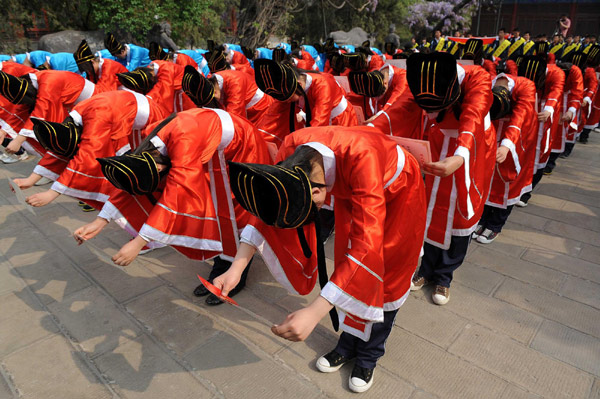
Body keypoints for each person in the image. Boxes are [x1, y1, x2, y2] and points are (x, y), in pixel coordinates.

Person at [214, 126, 427, 393]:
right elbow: (268, 209)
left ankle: (369, 355)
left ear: (317, 194)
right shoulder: (291, 148)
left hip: (398, 191)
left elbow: (367, 246)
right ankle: (347, 344)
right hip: (354, 187)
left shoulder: (363, 157)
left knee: (387, 274)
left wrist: (314, 311)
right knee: (346, 264)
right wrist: (237, 267)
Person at [74, 108, 272, 305]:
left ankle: (235, 272)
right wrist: (100, 221)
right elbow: (131, 186)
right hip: (206, 146)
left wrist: (139, 242)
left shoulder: (181, 143)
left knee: (237, 208)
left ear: (158, 166)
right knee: (217, 205)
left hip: (243, 147)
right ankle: (221, 268)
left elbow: (176, 193)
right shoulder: (148, 144)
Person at [370, 52, 496, 305]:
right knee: (430, 208)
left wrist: (460, 157)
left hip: (472, 148)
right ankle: (425, 270)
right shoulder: (422, 81)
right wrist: (371, 129)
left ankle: (444, 276)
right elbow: (401, 108)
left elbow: (472, 116)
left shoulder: (477, 79)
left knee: (461, 211)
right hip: (439, 143)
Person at [13, 90, 166, 210]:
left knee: (141, 174)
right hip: (121, 119)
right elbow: (58, 151)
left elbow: (86, 155)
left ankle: (149, 213)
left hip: (149, 122)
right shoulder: (73, 121)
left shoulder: (96, 119)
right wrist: (30, 180)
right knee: (123, 172)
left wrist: (52, 193)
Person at [473, 73, 538, 243]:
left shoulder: (526, 86)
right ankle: (483, 218)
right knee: (488, 177)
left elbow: (520, 117)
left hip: (519, 136)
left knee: (509, 180)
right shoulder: (487, 83)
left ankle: (495, 225)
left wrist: (507, 145)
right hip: (494, 130)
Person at [253, 59, 357, 146]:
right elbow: (272, 116)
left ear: (299, 84)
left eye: (289, 99)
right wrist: (258, 138)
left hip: (340, 120)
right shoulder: (289, 88)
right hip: (315, 115)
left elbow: (320, 122)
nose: (287, 102)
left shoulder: (322, 85)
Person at [516, 55, 565, 207]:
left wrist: (549, 109)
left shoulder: (556, 73)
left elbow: (556, 91)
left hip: (545, 113)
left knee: (540, 152)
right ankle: (517, 186)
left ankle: (526, 192)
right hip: (528, 106)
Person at [181, 65, 274, 128]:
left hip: (262, 109)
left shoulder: (235, 83)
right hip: (247, 111)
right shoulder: (211, 81)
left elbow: (233, 119)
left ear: (215, 93)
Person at [544, 59, 583, 174]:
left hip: (567, 101)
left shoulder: (575, 71)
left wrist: (571, 110)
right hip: (551, 99)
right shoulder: (551, 69)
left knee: (559, 134)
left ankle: (550, 162)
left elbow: (577, 91)